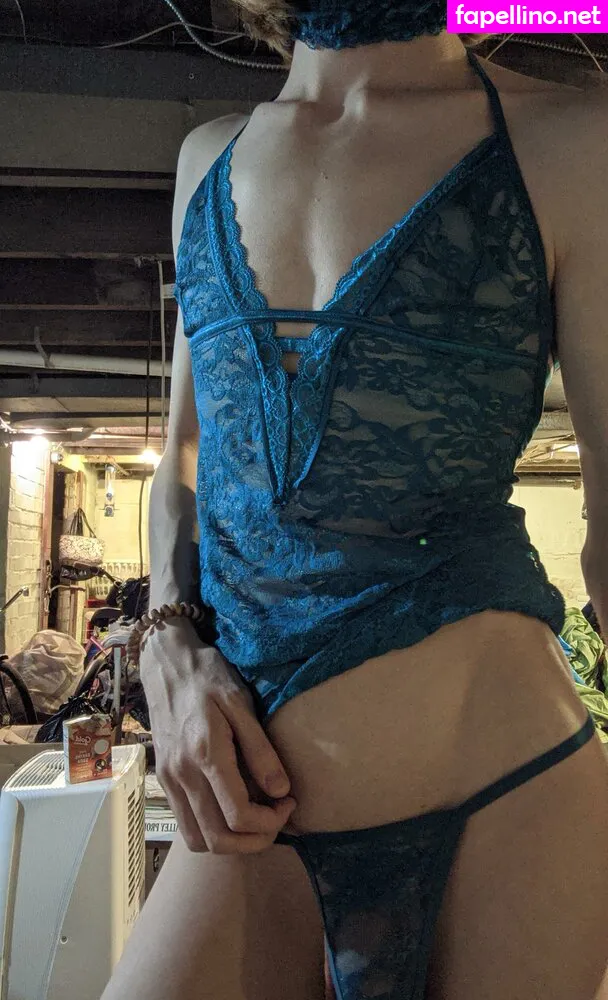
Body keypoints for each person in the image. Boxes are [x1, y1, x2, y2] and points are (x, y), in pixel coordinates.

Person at [101, 4, 608, 998]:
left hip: (506, 791)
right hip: (251, 810)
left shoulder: (571, 140)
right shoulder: (207, 158)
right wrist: (165, 639)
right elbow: (183, 459)